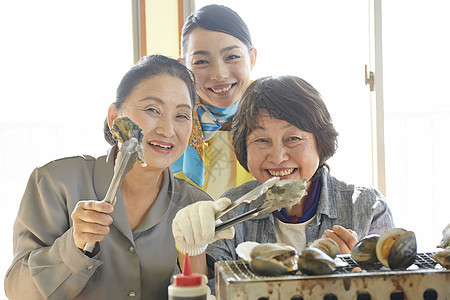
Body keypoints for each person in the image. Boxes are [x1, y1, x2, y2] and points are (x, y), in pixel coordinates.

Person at [4, 55, 226, 300]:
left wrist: (193, 253)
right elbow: (18, 291)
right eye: (152, 109)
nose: (167, 130)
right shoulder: (55, 183)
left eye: (181, 116)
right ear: (114, 118)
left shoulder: (196, 206)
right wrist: (74, 245)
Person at [172, 75, 395, 292]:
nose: (278, 157)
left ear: (321, 142)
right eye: (261, 140)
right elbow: (213, 292)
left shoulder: (366, 207)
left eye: (293, 138)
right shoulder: (231, 209)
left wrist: (352, 274)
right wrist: (193, 249)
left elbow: (393, 289)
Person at [172, 4, 257, 199]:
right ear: (183, 67)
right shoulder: (167, 124)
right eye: (201, 61)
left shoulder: (278, 113)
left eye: (232, 57)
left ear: (252, 58)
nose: (219, 74)